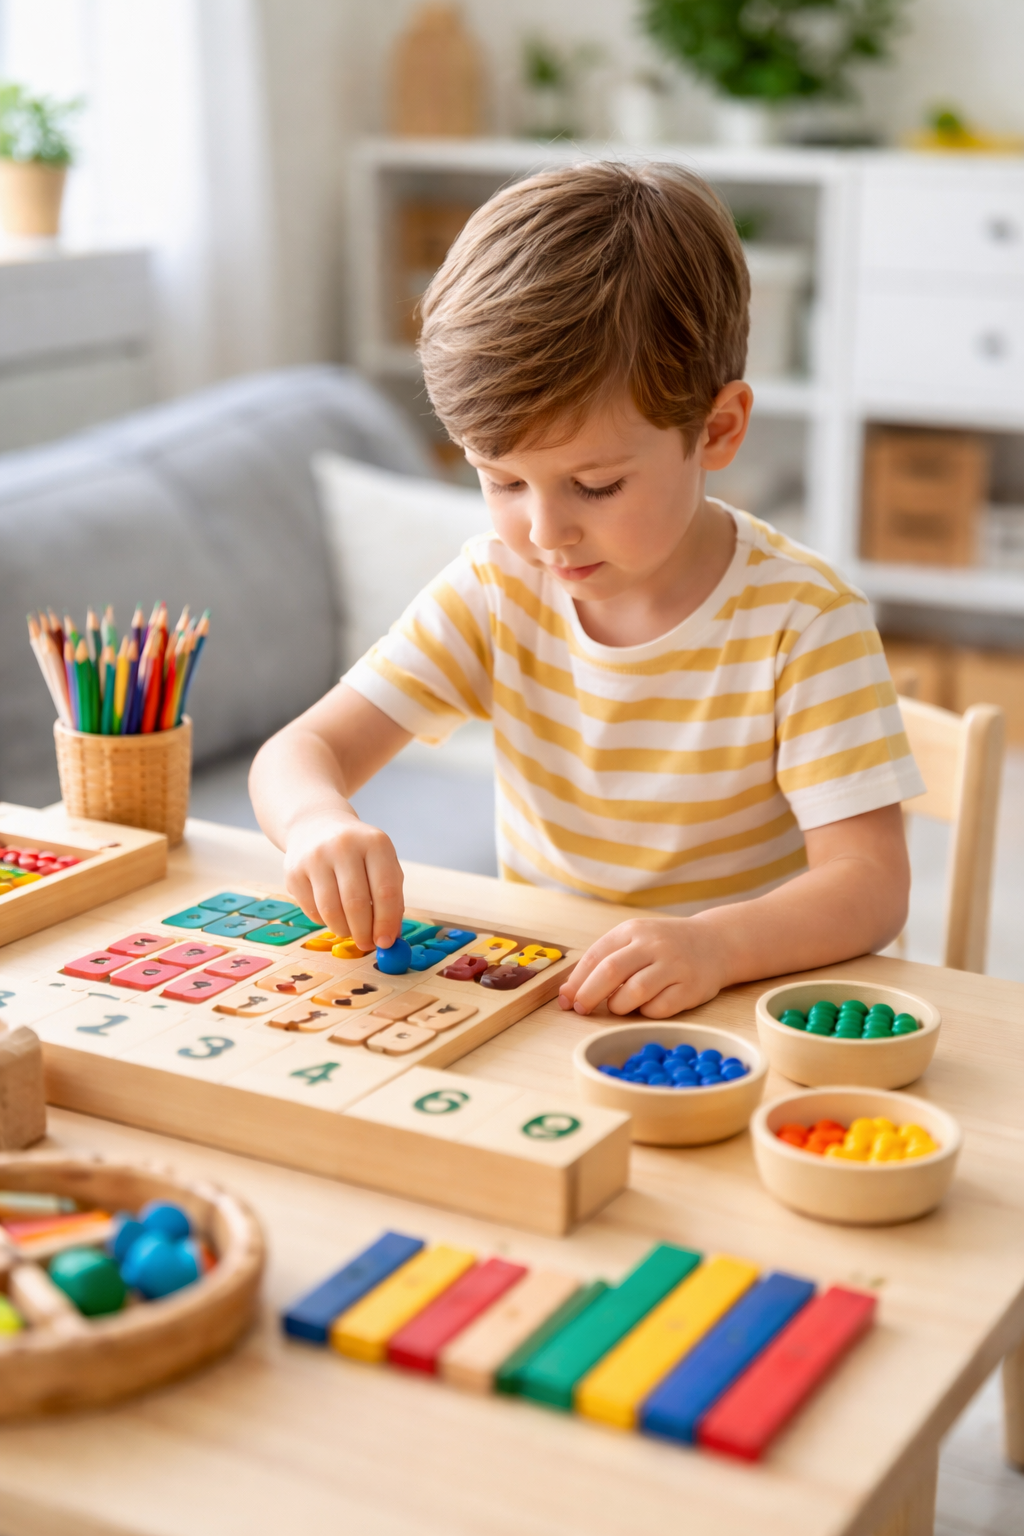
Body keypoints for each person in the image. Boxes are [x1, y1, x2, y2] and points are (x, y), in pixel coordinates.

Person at [250, 161, 923, 1019]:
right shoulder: (496, 589)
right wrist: (316, 822)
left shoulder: (805, 621)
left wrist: (717, 945)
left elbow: (870, 884)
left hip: (736, 1006)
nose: (545, 532)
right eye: (502, 481)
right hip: (550, 1000)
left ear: (717, 430)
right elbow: (299, 752)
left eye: (595, 486)